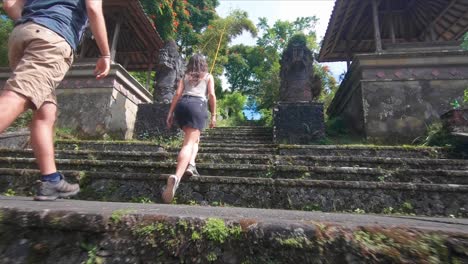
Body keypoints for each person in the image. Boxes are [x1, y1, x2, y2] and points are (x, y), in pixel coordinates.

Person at [1, 0, 110, 201]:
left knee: (45, 112)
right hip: (52, 38)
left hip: (22, 33)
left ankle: (51, 180)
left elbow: (8, 4)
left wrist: (32, 21)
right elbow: (93, 8)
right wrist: (105, 54)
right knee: (19, 95)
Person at [163, 53, 216, 204]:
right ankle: (177, 177)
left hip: (182, 106)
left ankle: (191, 165)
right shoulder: (208, 76)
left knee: (194, 139)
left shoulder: (185, 76)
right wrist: (214, 115)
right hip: (197, 106)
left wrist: (170, 112)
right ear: (204, 64)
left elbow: (178, 94)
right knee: (188, 143)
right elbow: (211, 95)